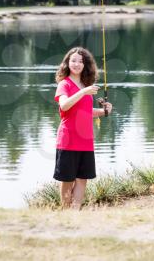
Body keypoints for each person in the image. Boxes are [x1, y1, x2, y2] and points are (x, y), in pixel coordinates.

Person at [53, 47, 112, 209]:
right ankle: (66, 214)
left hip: (86, 140)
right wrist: (84, 92)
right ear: (67, 63)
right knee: (68, 179)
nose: (77, 64)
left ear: (86, 65)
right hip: (68, 139)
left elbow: (85, 112)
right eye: (73, 60)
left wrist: (104, 111)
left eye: (81, 61)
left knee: (82, 179)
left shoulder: (87, 86)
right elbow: (64, 105)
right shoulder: (64, 85)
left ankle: (75, 213)